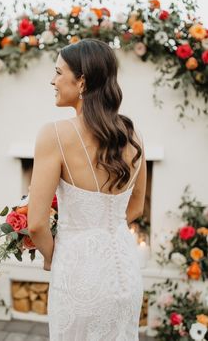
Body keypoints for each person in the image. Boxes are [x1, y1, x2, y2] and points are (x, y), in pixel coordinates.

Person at [27, 39, 147, 341]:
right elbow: (135, 209)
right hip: (125, 273)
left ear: (81, 81)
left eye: (58, 72)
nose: (52, 81)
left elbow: (37, 223)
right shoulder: (133, 135)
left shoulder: (53, 134)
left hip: (78, 274)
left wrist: (54, 257)